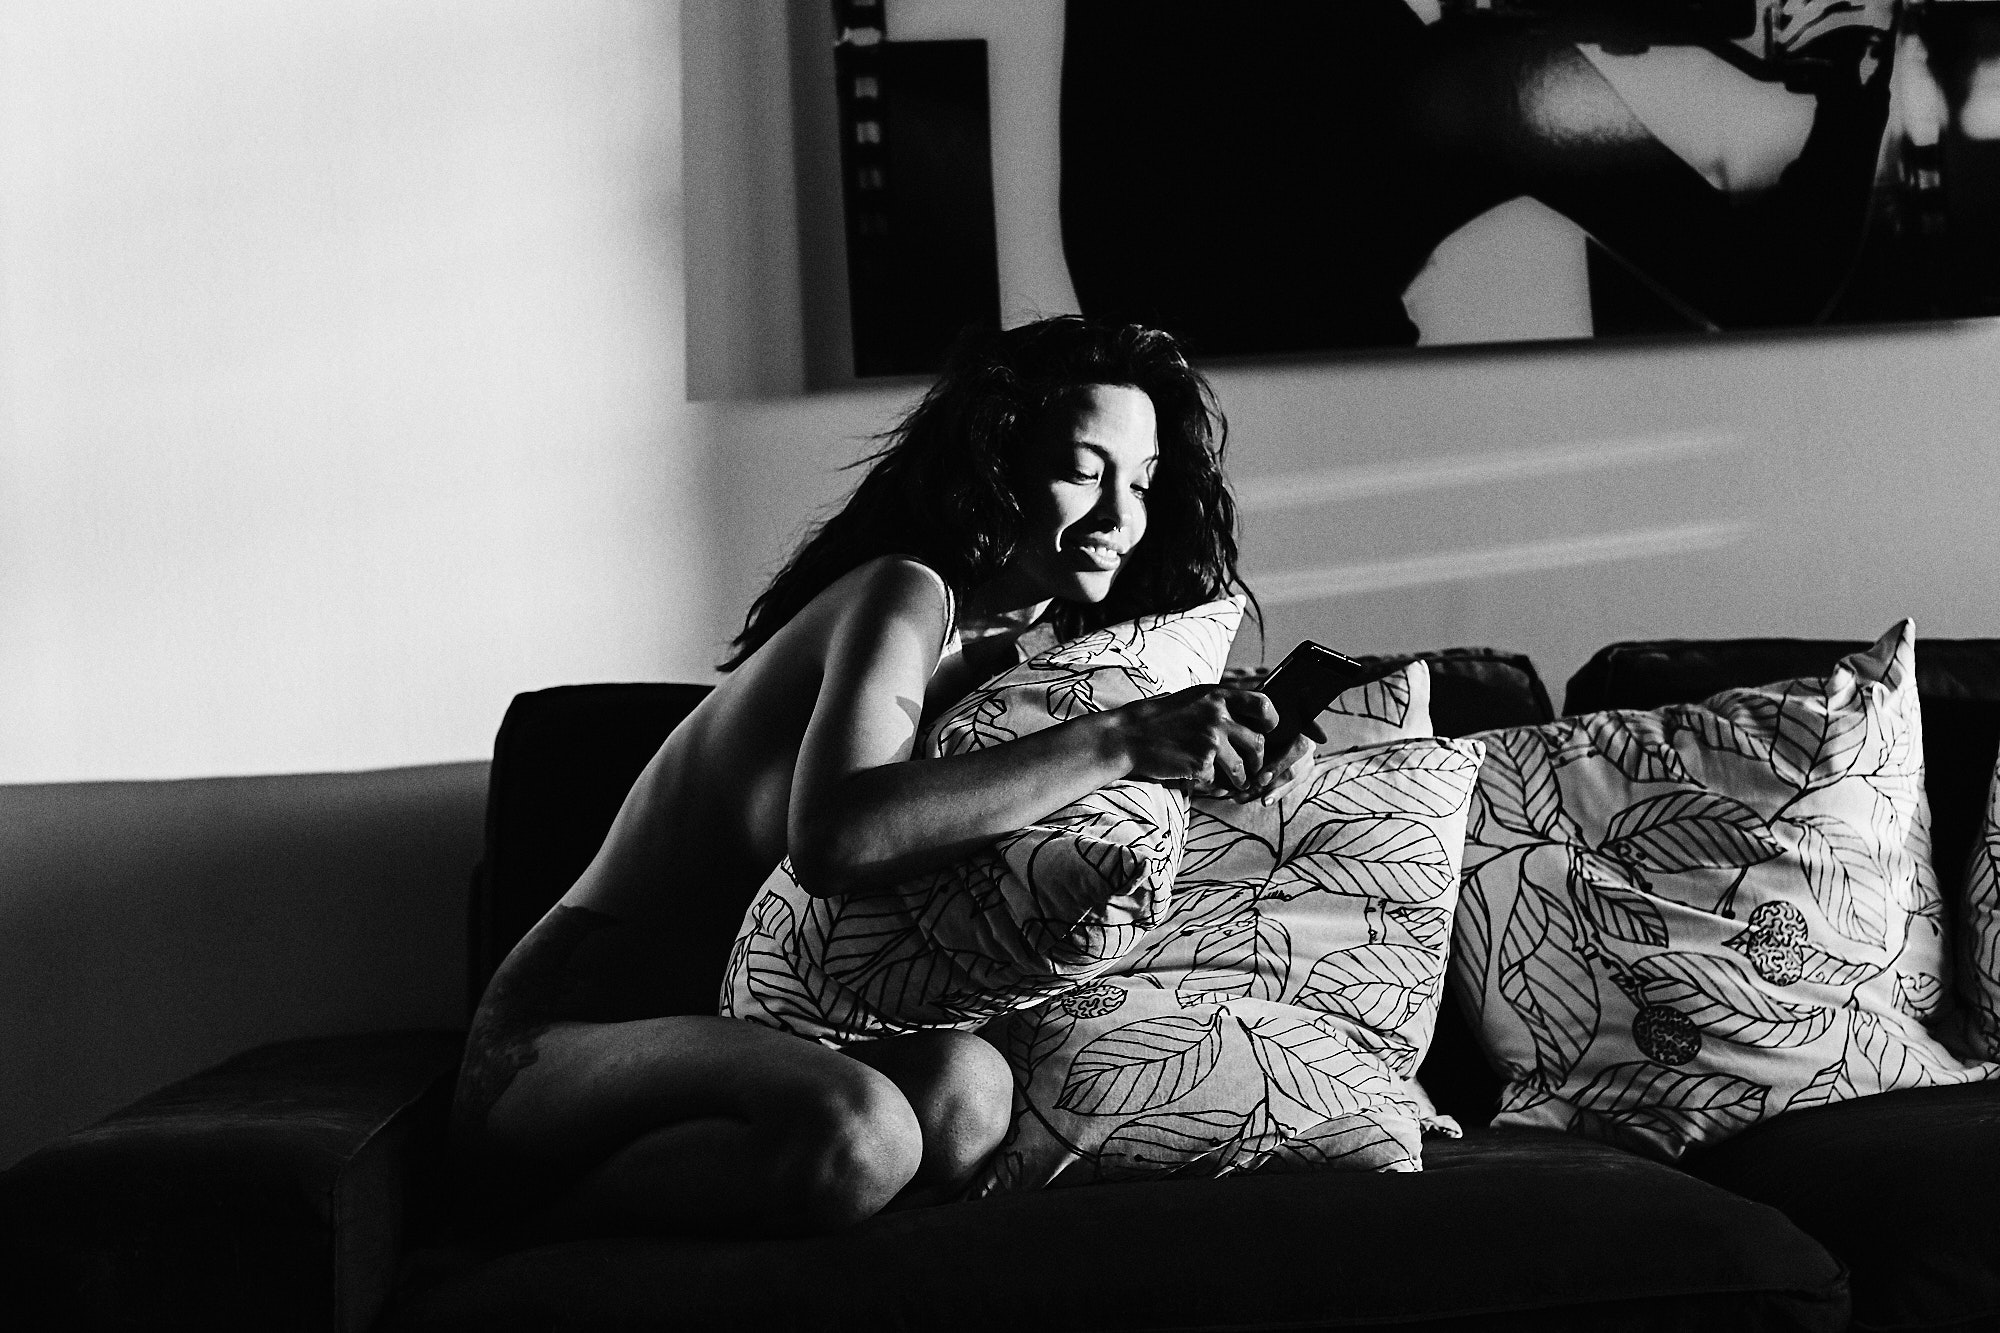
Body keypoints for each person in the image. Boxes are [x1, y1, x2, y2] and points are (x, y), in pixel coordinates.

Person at [450, 317, 1320, 1239]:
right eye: (1083, 471)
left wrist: (1222, 750)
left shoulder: (1023, 667)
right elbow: (836, 837)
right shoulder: (904, 592)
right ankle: (513, 1247)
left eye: (1140, 482)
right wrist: (1121, 741)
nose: (1120, 516)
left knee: (967, 1095)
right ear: (999, 464)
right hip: (560, 1048)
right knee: (860, 1132)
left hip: (753, 1047)